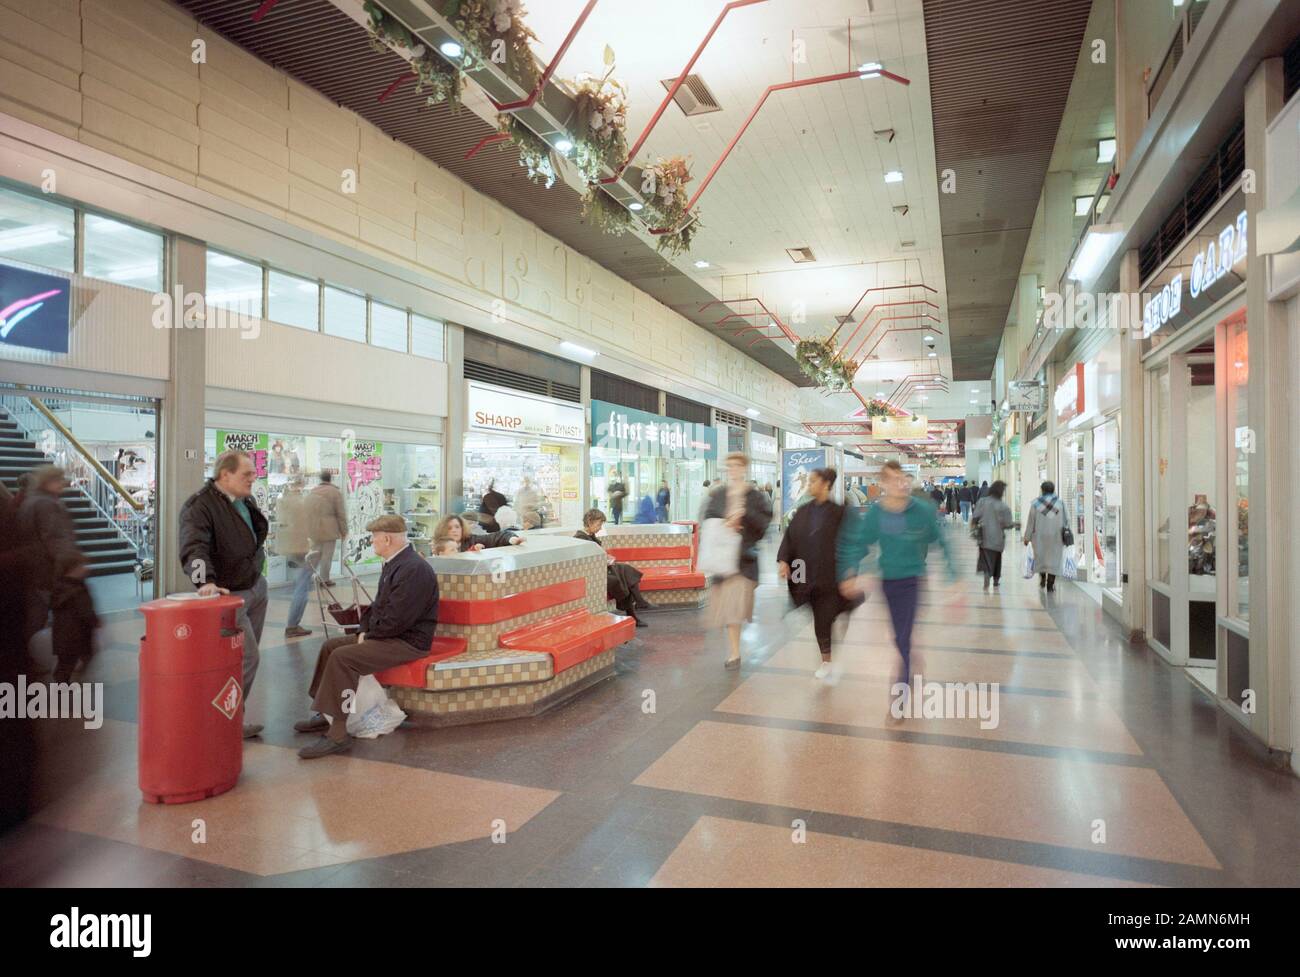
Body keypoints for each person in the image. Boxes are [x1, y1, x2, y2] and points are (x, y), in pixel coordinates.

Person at [294, 515, 438, 759]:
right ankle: (326, 713)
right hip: (391, 635)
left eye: (374, 538)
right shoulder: (397, 563)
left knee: (343, 658)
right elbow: (377, 607)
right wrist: (363, 630)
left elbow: (398, 619)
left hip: (409, 642)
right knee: (331, 646)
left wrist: (370, 635)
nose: (372, 542)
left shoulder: (412, 569)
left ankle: (338, 733)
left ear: (387, 538)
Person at [838, 460, 957, 704]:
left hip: (913, 579)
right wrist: (850, 572)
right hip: (888, 581)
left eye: (903, 478)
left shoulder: (921, 510)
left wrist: (953, 577)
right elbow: (860, 543)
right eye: (893, 479)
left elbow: (942, 541)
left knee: (903, 636)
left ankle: (899, 689)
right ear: (883, 484)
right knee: (899, 635)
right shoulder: (876, 513)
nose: (900, 483)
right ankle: (910, 659)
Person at [179, 450, 268, 738]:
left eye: (253, 473)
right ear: (225, 474)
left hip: (255, 587)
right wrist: (204, 581)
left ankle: (232, 718)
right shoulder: (199, 507)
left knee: (242, 658)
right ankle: (222, 722)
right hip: (230, 595)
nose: (253, 478)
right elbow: (193, 547)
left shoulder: (244, 500)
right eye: (247, 474)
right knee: (247, 658)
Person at [17, 465, 99, 684]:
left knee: (40, 619)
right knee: (72, 622)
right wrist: (74, 565)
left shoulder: (29, 503)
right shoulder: (47, 505)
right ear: (49, 481)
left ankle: (34, 663)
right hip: (57, 574)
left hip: (38, 573)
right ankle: (69, 665)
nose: (64, 484)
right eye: (60, 480)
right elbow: (57, 538)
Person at [777, 467, 858, 679]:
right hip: (809, 576)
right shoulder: (803, 511)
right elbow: (790, 536)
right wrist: (784, 560)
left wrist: (850, 571)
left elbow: (851, 543)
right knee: (821, 618)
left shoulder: (839, 513)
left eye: (813, 481)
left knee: (828, 614)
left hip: (832, 576)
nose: (809, 485)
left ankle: (828, 652)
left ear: (825, 485)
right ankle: (826, 660)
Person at [701, 452, 773, 669]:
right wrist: (725, 522)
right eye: (729, 465)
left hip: (744, 560)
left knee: (734, 606)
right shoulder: (719, 495)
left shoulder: (755, 496)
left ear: (744, 468)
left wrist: (744, 518)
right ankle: (734, 651)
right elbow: (707, 518)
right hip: (723, 561)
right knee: (728, 609)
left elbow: (763, 525)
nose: (732, 469)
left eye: (737, 465)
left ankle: (734, 652)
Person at [575, 508, 651, 627]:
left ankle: (639, 603)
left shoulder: (590, 535)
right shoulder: (580, 537)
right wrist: (604, 561)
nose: (600, 528)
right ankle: (637, 607)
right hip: (594, 573)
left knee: (625, 569)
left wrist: (606, 558)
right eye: (599, 524)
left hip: (601, 568)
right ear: (590, 522)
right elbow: (585, 563)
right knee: (620, 579)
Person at [277, 477, 316, 639]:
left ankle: (293, 624)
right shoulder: (299, 503)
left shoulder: (283, 500)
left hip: (290, 546)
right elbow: (306, 526)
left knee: (303, 584)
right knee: (302, 587)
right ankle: (292, 625)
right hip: (300, 547)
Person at [972, 480, 1018, 590]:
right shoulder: (1004, 507)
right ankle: (996, 581)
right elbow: (1007, 524)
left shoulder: (982, 502)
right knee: (997, 559)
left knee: (985, 558)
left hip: (984, 537)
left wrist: (973, 530)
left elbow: (975, 518)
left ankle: (986, 578)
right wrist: (1015, 524)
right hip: (998, 539)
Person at [1023, 480, 1066, 592]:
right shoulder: (1060, 503)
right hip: (1056, 537)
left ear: (1042, 490)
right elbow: (1067, 520)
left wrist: (1027, 537)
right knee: (1054, 559)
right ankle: (1050, 584)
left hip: (1039, 537)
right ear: (1053, 489)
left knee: (1041, 557)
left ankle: (1042, 578)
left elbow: (1030, 521)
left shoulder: (1036, 504)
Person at [307, 471, 347, 586]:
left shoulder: (313, 492)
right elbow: (341, 513)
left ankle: (306, 577)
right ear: (330, 479)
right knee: (327, 556)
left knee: (314, 554)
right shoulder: (335, 492)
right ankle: (324, 580)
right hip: (329, 529)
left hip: (315, 528)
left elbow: (307, 511)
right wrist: (344, 531)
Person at [433, 514, 522, 551]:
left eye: (457, 527)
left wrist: (512, 539)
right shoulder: (437, 546)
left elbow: (497, 536)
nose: (454, 530)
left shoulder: (472, 540)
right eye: (449, 528)